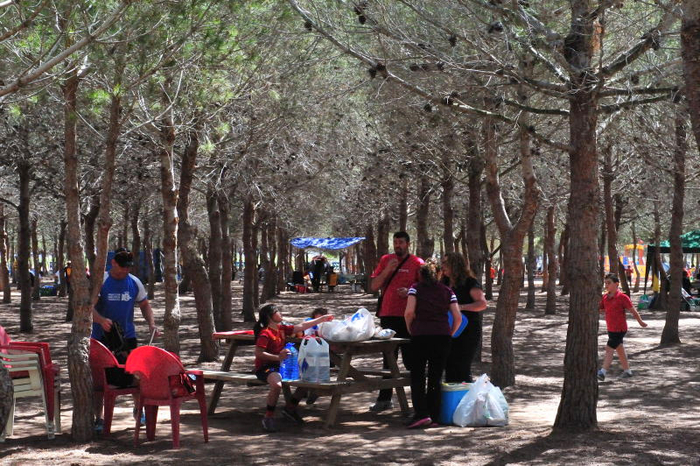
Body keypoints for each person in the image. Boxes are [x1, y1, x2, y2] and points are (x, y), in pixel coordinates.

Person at [91, 248, 159, 432]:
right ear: (113, 263)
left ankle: (139, 411)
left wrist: (151, 323)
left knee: (135, 375)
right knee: (101, 381)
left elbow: (144, 305)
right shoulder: (102, 281)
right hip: (101, 339)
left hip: (127, 338)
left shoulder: (135, 282)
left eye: (128, 268)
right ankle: (99, 418)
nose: (125, 271)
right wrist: (100, 320)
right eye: (122, 267)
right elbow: (89, 308)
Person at [254, 304, 333, 432]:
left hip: (282, 366)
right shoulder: (265, 333)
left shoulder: (281, 329)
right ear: (270, 316)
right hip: (266, 368)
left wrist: (321, 319)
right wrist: (278, 358)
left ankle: (290, 409)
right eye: (277, 311)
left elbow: (301, 326)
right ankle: (268, 417)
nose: (280, 313)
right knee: (277, 385)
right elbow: (258, 353)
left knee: (308, 379)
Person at [369, 231, 424, 412]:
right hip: (387, 315)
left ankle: (419, 401)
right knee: (388, 358)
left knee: (411, 359)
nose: (397, 245)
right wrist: (387, 271)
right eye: (395, 242)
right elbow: (373, 286)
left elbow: (426, 289)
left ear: (408, 244)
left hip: (408, 317)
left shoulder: (417, 263)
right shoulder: (386, 260)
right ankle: (384, 399)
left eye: (401, 242)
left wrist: (410, 291)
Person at [404, 260, 462, 428]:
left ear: (420, 275)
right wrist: (449, 333)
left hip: (420, 335)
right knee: (435, 377)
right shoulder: (448, 291)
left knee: (418, 376)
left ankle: (421, 414)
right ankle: (434, 416)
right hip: (442, 336)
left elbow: (409, 312)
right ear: (438, 274)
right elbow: (457, 317)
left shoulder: (415, 288)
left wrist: (410, 328)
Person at [441, 252, 488, 383]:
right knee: (449, 366)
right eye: (442, 262)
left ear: (455, 265)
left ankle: (465, 399)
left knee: (462, 367)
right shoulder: (443, 282)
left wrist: (460, 307)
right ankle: (452, 400)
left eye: (445, 263)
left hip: (468, 331)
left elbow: (482, 304)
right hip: (448, 330)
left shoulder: (469, 282)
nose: (442, 265)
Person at [597, 273, 648, 381]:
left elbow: (633, 311)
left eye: (609, 283)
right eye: (605, 283)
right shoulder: (605, 297)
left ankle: (602, 372)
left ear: (616, 284)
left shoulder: (623, 297)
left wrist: (641, 322)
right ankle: (627, 371)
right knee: (619, 348)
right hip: (610, 328)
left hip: (620, 329)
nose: (606, 285)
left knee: (609, 348)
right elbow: (600, 309)